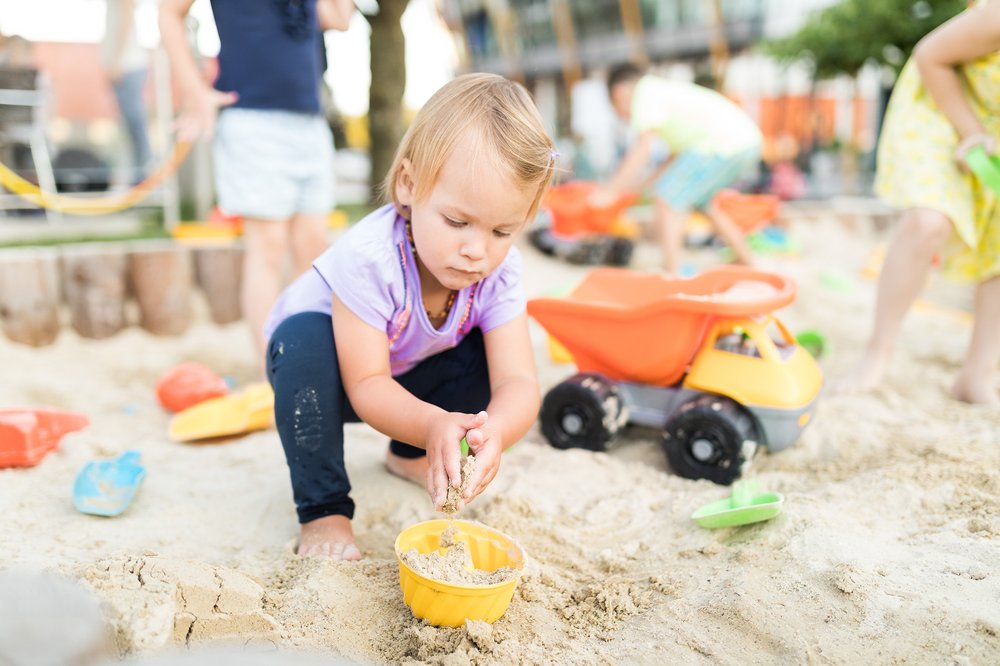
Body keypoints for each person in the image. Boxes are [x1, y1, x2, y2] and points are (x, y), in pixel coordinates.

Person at [263, 73, 556, 559]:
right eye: (457, 222)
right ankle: (324, 511)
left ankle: (407, 454)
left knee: (483, 351)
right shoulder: (370, 257)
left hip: (409, 370)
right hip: (330, 378)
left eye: (503, 231)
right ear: (408, 185)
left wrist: (496, 431)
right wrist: (431, 424)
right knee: (301, 343)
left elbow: (519, 381)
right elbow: (368, 384)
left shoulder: (498, 274)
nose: (476, 251)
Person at [159, 0, 355, 361]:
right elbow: (169, 10)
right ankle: (275, 370)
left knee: (312, 246)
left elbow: (338, 18)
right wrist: (192, 90)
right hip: (252, 118)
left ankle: (305, 359)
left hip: (308, 118)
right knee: (268, 247)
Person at [839, 0, 1000, 405]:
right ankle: (877, 354)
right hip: (940, 107)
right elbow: (931, 56)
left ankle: (976, 376)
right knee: (930, 221)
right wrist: (971, 133)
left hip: (993, 126)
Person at [591, 64, 763, 273]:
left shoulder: (645, 93)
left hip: (721, 144)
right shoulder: (663, 94)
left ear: (619, 93)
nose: (622, 116)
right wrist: (639, 188)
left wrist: (610, 191)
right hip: (744, 141)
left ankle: (672, 273)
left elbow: (641, 150)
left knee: (666, 199)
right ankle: (746, 260)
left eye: (617, 108)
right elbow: (673, 159)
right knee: (704, 204)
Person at [103, 0, 152, 184]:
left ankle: (143, 178)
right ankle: (137, 178)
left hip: (127, 66)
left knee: (135, 126)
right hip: (125, 66)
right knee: (129, 128)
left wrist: (115, 60)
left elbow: (126, 17)